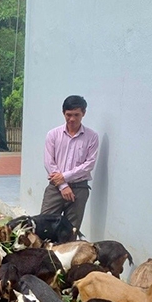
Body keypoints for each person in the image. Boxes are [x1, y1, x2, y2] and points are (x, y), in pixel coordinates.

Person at [40, 95, 99, 230]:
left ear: (84, 113)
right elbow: (49, 162)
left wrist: (64, 177)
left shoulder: (92, 137)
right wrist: (63, 185)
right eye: (69, 115)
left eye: (76, 115)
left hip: (79, 189)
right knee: (44, 227)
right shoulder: (53, 134)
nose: (72, 119)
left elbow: (89, 164)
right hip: (55, 188)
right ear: (63, 113)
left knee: (71, 230)